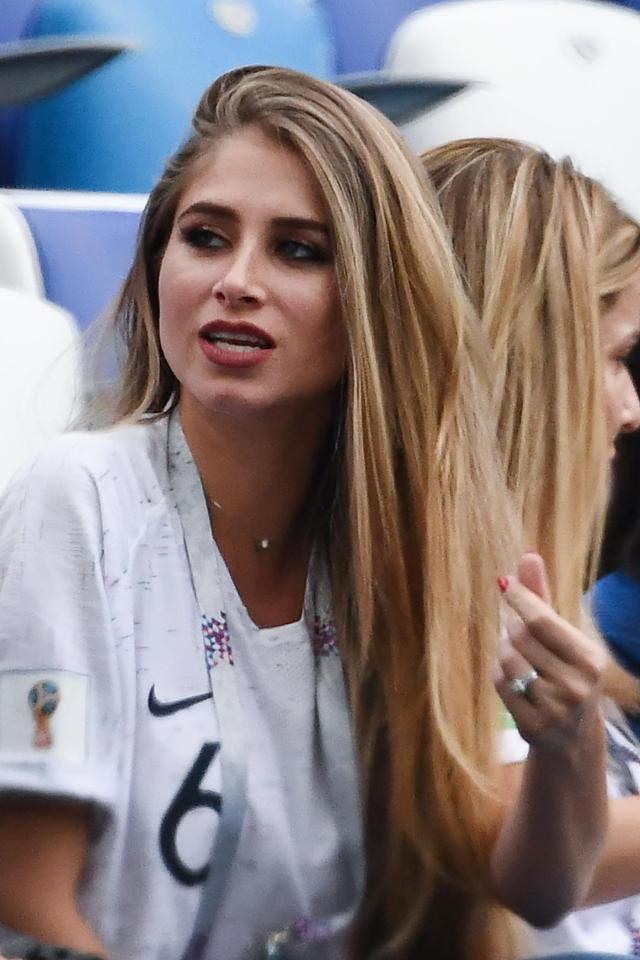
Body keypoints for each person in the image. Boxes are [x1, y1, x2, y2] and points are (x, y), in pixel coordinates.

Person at [0, 69, 608, 960]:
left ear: (378, 298)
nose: (236, 282)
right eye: (205, 237)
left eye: (299, 250)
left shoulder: (418, 538)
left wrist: (569, 740)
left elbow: (534, 889)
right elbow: (24, 905)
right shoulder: (76, 503)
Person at [422, 136, 640, 957]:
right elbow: (537, 866)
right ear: (536, 365)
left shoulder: (528, 574)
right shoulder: (437, 588)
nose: (630, 409)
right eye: (617, 359)